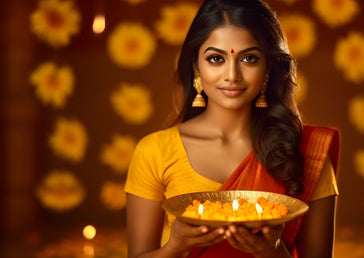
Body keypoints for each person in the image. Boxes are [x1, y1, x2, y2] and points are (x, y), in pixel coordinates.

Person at [124, 0, 340, 257]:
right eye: (216, 58)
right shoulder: (155, 151)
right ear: (196, 66)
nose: (232, 75)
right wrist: (176, 247)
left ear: (268, 67)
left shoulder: (307, 152)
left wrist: (272, 252)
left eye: (249, 58)